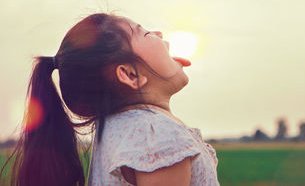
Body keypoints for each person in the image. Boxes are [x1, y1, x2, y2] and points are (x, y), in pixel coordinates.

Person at [0, 13, 219, 186]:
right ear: (130, 75)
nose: (159, 33)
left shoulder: (120, 130)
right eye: (145, 34)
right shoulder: (156, 136)